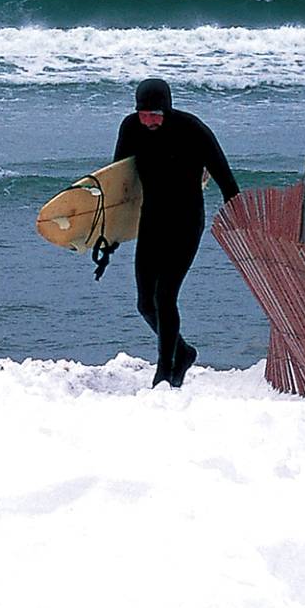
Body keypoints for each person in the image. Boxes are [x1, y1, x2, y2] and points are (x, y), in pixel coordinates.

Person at [112, 77, 239, 387]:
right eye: (145, 115)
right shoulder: (130, 128)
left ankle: (165, 371)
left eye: (156, 115)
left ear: (167, 110)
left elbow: (226, 180)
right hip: (151, 221)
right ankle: (181, 352)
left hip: (186, 222)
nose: (150, 121)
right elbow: (118, 182)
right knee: (145, 303)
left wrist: (237, 220)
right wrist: (109, 231)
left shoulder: (193, 130)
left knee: (165, 296)